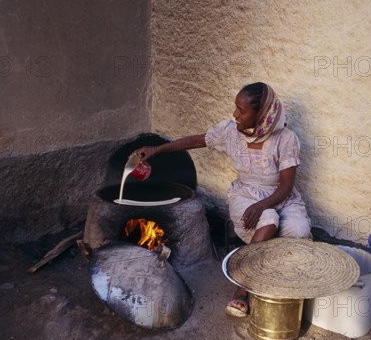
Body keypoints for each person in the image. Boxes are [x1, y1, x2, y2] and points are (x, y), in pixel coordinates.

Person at [133, 82, 311, 317]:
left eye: (242, 110)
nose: (235, 114)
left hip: (280, 197)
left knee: (298, 230)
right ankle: (242, 290)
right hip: (245, 194)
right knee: (268, 219)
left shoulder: (285, 138)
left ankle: (273, 276)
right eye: (235, 108)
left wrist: (262, 205)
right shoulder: (230, 132)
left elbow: (287, 186)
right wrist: (157, 150)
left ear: (261, 115)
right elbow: (196, 141)